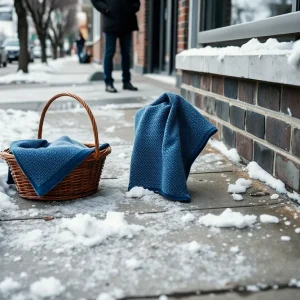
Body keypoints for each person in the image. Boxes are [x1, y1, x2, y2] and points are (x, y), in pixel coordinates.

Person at [91, 0, 140, 93]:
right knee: (110, 52)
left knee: (126, 53)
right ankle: (108, 83)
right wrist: (106, 9)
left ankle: (127, 82)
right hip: (110, 21)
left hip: (127, 21)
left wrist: (132, 8)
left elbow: (136, 2)